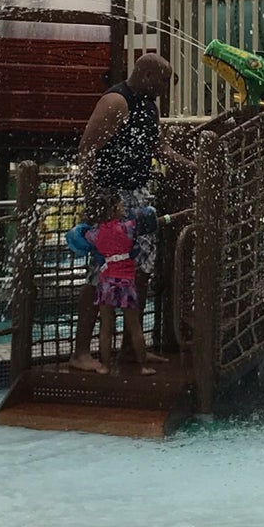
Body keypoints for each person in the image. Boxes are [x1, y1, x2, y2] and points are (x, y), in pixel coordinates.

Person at [69, 53, 178, 373]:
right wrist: (93, 200)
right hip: (111, 199)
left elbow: (159, 149)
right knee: (99, 273)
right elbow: (87, 149)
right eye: (163, 81)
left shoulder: (150, 106)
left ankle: (132, 347)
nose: (165, 88)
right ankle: (80, 351)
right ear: (147, 76)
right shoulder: (117, 101)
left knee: (141, 269)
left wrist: (192, 166)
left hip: (138, 197)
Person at [71, 201, 188, 376]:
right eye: (119, 207)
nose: (123, 208)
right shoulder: (128, 228)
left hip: (106, 283)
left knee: (106, 327)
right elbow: (154, 222)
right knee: (135, 326)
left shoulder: (95, 233)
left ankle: (105, 366)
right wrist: (178, 216)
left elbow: (79, 239)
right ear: (113, 212)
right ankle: (143, 366)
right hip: (125, 283)